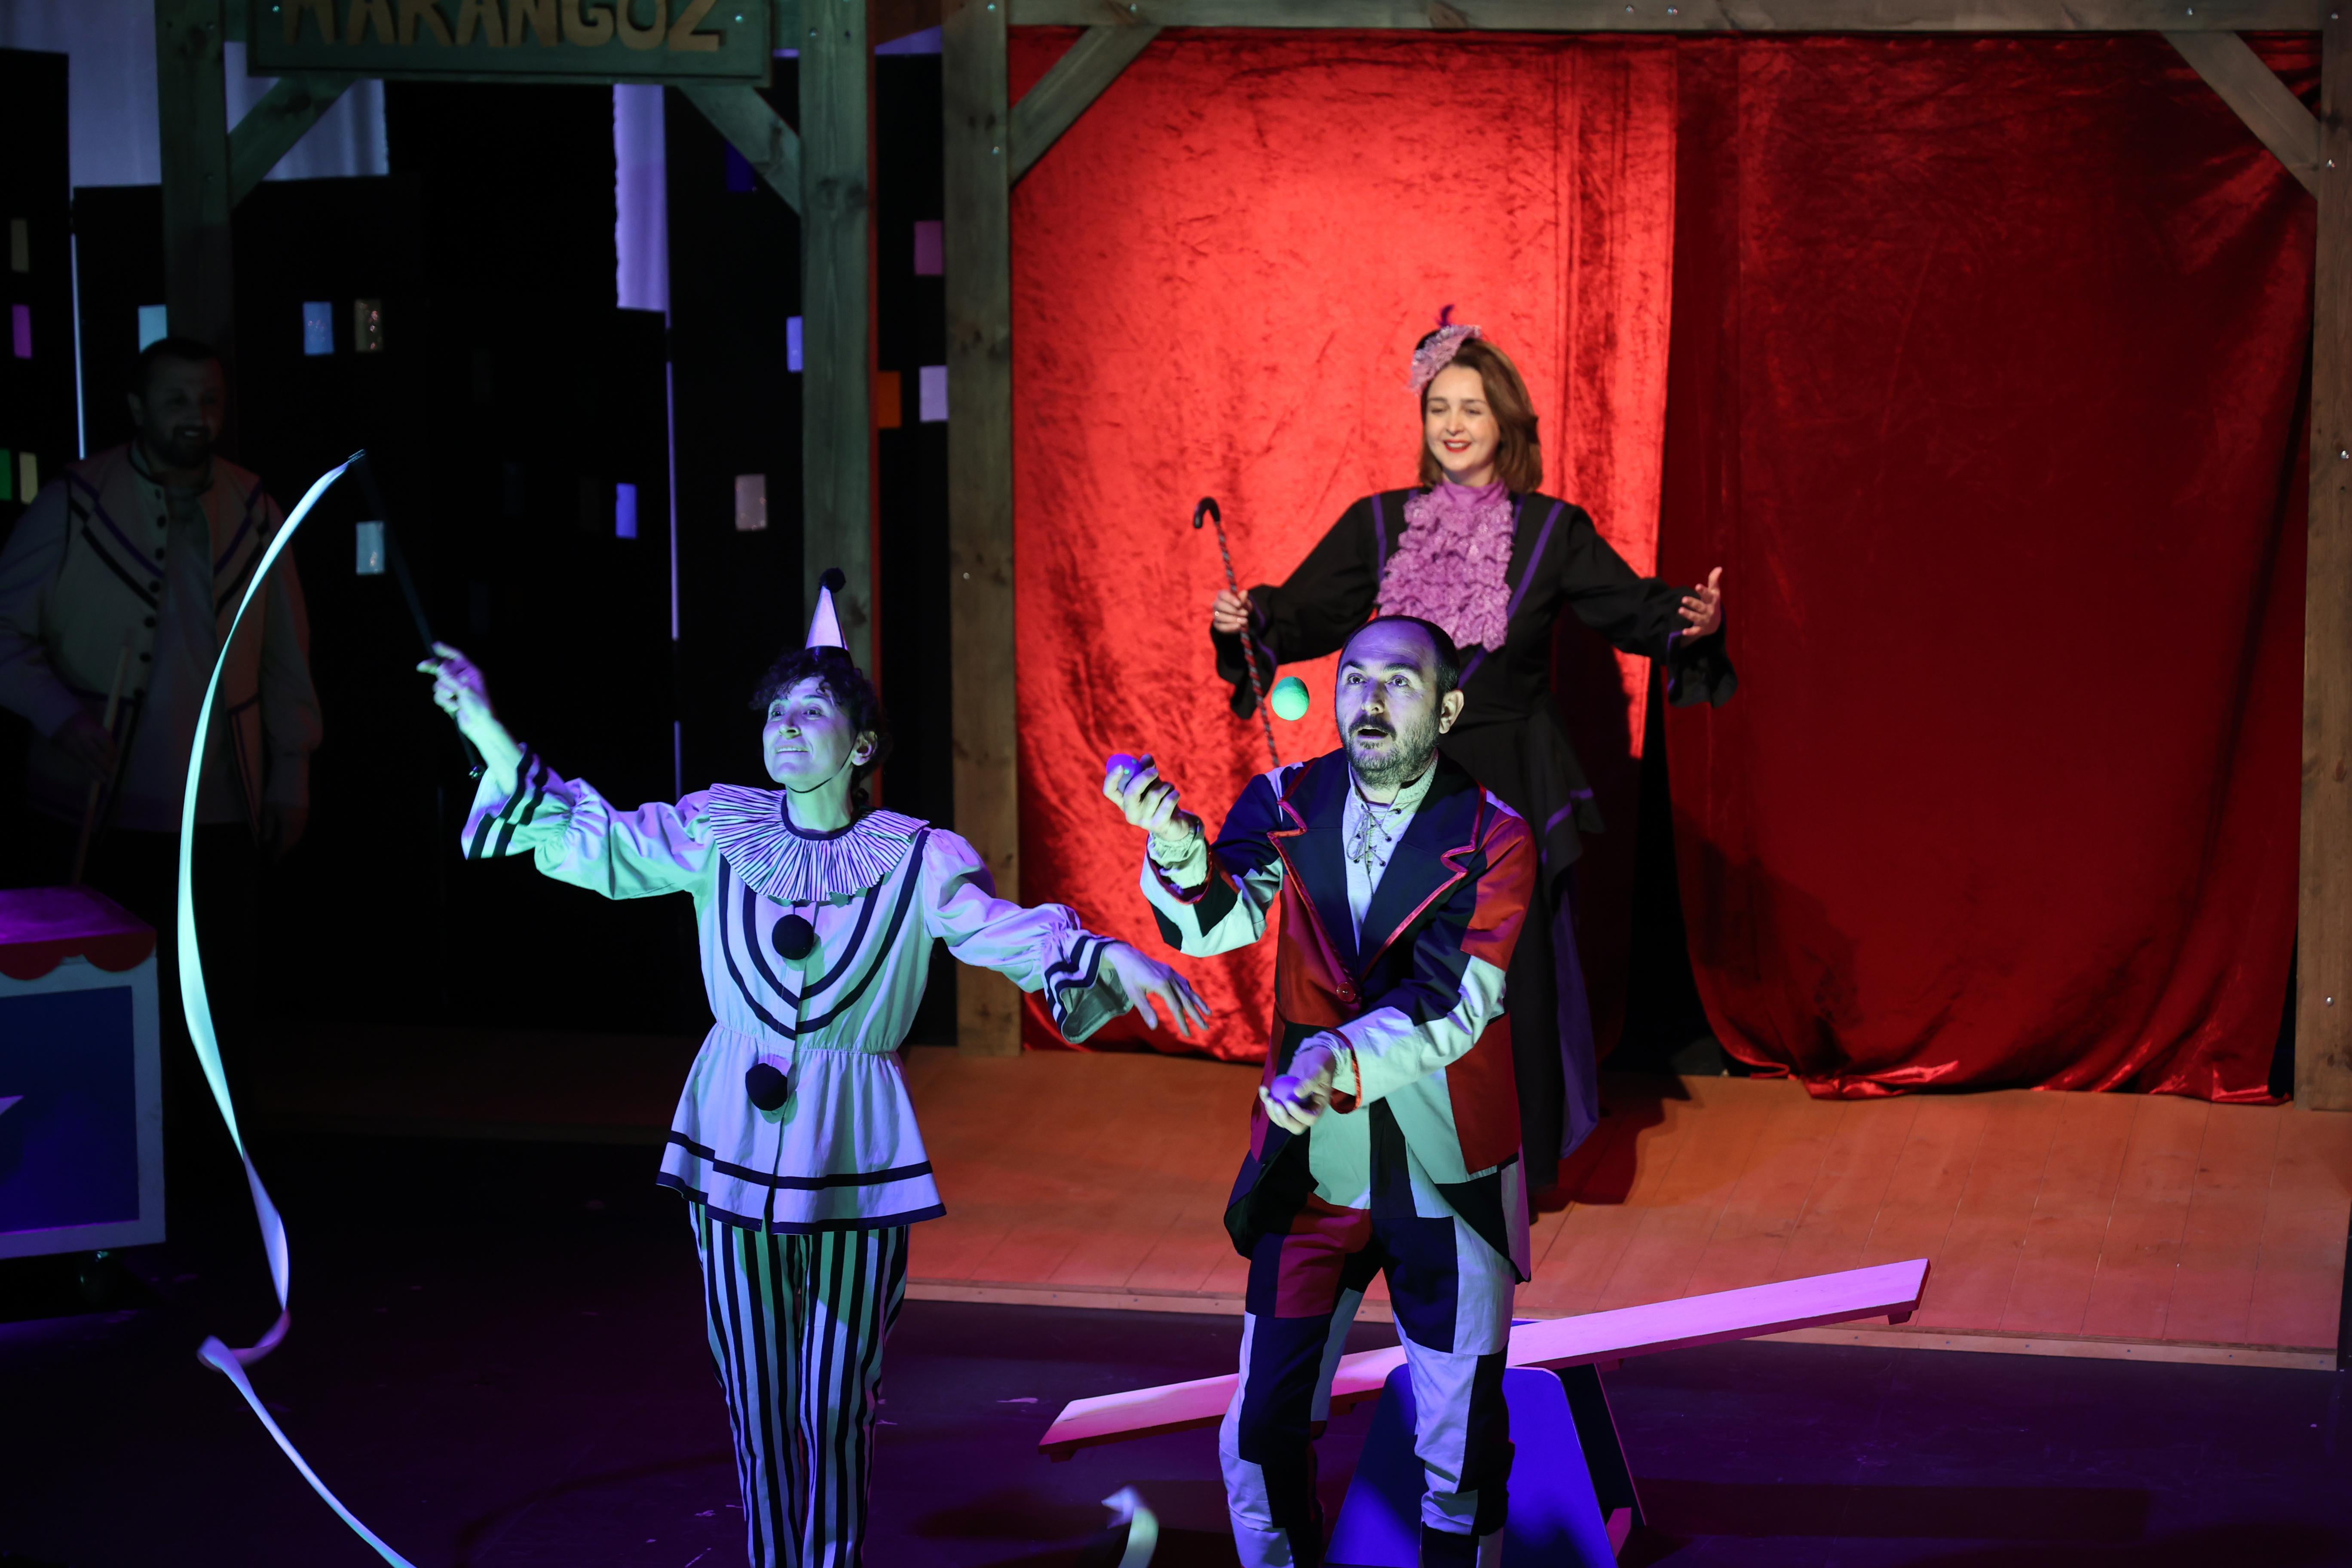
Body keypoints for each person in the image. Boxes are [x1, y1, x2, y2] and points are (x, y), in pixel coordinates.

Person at [419, 583, 1210, 1568]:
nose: (786, 727)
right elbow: (604, 841)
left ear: (863, 745)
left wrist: (1112, 957)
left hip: (853, 1146)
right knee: (755, 1392)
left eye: (812, 710)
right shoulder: (719, 829)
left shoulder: (916, 858)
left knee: (836, 1396)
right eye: (775, 712)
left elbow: (1000, 932)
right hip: (732, 1140)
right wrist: (487, 729)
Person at [1210, 316, 1734, 1194]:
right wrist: (1250, 620)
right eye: (1439, 409)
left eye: (1473, 409)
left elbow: (1633, 608)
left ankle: (1507, 1165)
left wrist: (1691, 622)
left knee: (1502, 979)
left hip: (1510, 781)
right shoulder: (1380, 524)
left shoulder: (1552, 531)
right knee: (1389, 965)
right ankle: (1384, 1161)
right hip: (1398, 783)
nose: (1454, 425)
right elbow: (1303, 612)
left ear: (1507, 423)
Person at [1107, 614, 1538, 1568]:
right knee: (1260, 1434)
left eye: (1399, 683)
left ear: (1448, 710)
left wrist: (1333, 1060)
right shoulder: (1286, 798)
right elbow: (1214, 923)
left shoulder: (1494, 836)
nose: (1369, 701)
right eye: (1354, 679)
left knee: (1461, 1452)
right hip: (1312, 1171)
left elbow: (1454, 1005)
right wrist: (1177, 845)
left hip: (1446, 1172)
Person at [0, 335, 320, 1148]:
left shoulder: (254, 506)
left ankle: (213, 1165)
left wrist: (291, 774)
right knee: (100, 1006)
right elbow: (2, 633)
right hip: (96, 811)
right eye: (177, 399)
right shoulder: (76, 503)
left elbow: (287, 657)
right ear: (138, 407)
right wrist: (63, 718)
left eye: (208, 399)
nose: (195, 416)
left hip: (221, 810)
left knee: (217, 1002)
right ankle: (104, 1165)